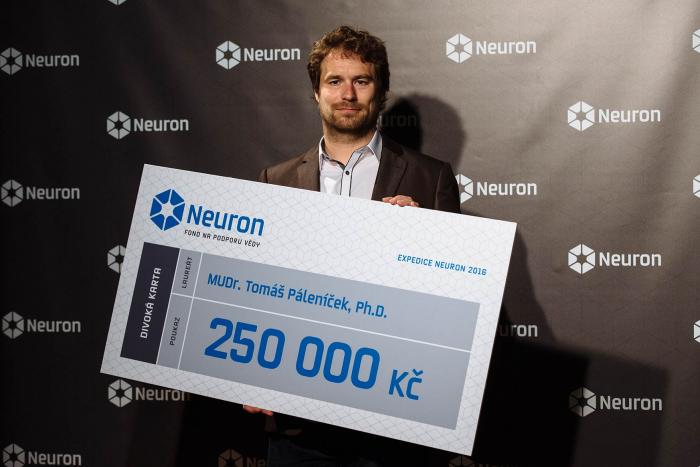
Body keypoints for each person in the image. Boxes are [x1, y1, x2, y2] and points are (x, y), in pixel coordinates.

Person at [249, 25, 461, 466]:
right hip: (298, 422)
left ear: (380, 93)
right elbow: (258, 292)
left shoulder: (431, 177)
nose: (348, 94)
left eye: (361, 81)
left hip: (393, 420)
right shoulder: (276, 180)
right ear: (316, 93)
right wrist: (248, 375)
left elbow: (454, 300)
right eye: (334, 81)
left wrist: (423, 241)